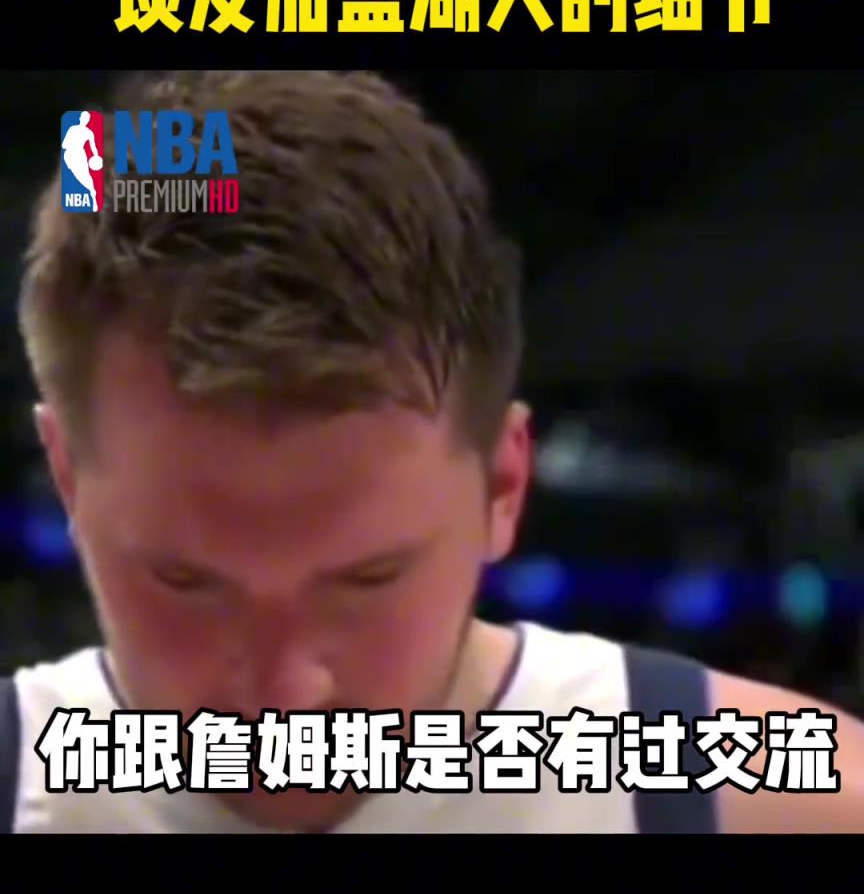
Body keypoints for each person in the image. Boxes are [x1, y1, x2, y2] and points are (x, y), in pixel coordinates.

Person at [3, 68, 863, 834]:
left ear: (504, 484)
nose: (286, 697)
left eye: (369, 579)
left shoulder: (786, 802)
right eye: (185, 582)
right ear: (67, 479)